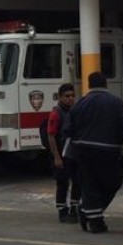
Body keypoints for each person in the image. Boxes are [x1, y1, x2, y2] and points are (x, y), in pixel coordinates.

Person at [63, 71, 123, 234]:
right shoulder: (115, 103)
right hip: (107, 151)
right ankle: (94, 218)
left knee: (89, 184)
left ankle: (89, 212)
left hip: (82, 150)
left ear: (89, 84)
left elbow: (67, 129)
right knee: (113, 181)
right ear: (106, 84)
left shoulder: (80, 104)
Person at [47, 83, 80, 223]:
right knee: (63, 183)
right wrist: (57, 157)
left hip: (74, 152)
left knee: (78, 181)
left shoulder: (75, 110)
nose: (70, 98)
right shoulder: (56, 113)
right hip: (62, 152)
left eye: (72, 96)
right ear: (60, 97)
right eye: (67, 96)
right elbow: (51, 135)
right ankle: (62, 211)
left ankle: (74, 208)